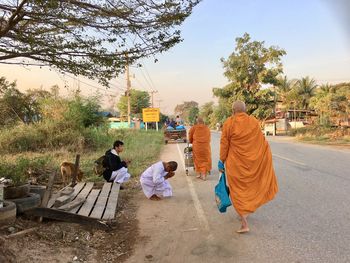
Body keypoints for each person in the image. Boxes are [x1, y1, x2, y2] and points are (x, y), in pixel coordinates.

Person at [219, 101, 278, 233]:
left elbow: (224, 144)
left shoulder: (229, 122)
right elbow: (261, 142)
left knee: (238, 191)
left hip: (236, 165)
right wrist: (263, 157)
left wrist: (221, 160)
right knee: (249, 188)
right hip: (252, 163)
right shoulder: (253, 121)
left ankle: (244, 223)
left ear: (233, 110)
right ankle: (245, 212)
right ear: (245, 110)